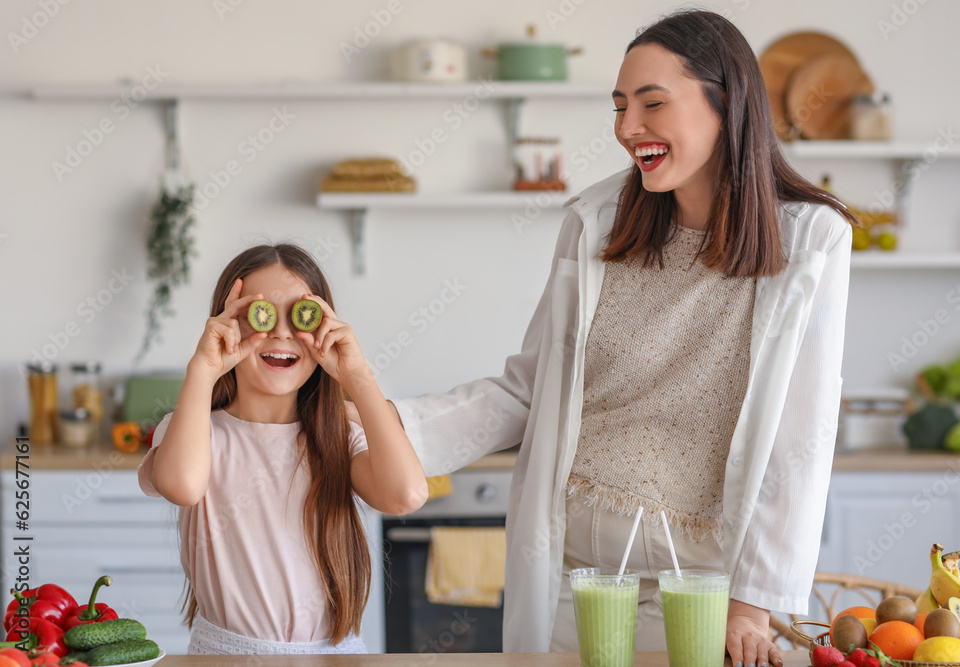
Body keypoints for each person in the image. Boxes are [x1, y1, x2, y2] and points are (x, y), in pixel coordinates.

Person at [362, 9, 856, 666]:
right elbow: (526, 389)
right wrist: (381, 424)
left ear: (726, 104)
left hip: (704, 592)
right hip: (583, 581)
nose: (628, 128)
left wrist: (754, 599)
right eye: (620, 106)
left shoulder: (811, 240)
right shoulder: (596, 226)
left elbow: (804, 432)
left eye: (653, 103)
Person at [138, 243, 428, 655]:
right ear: (226, 325)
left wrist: (357, 375)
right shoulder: (196, 430)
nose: (281, 333)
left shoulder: (338, 437)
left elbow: (406, 495)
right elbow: (181, 485)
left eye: (300, 315)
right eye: (260, 315)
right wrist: (202, 369)